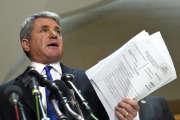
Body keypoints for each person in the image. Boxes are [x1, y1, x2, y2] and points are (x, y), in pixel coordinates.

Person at [0, 11, 174, 120]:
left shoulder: (90, 80)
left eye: (58, 31)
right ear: (26, 44)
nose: (54, 34)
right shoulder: (7, 93)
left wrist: (127, 115)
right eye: (44, 30)